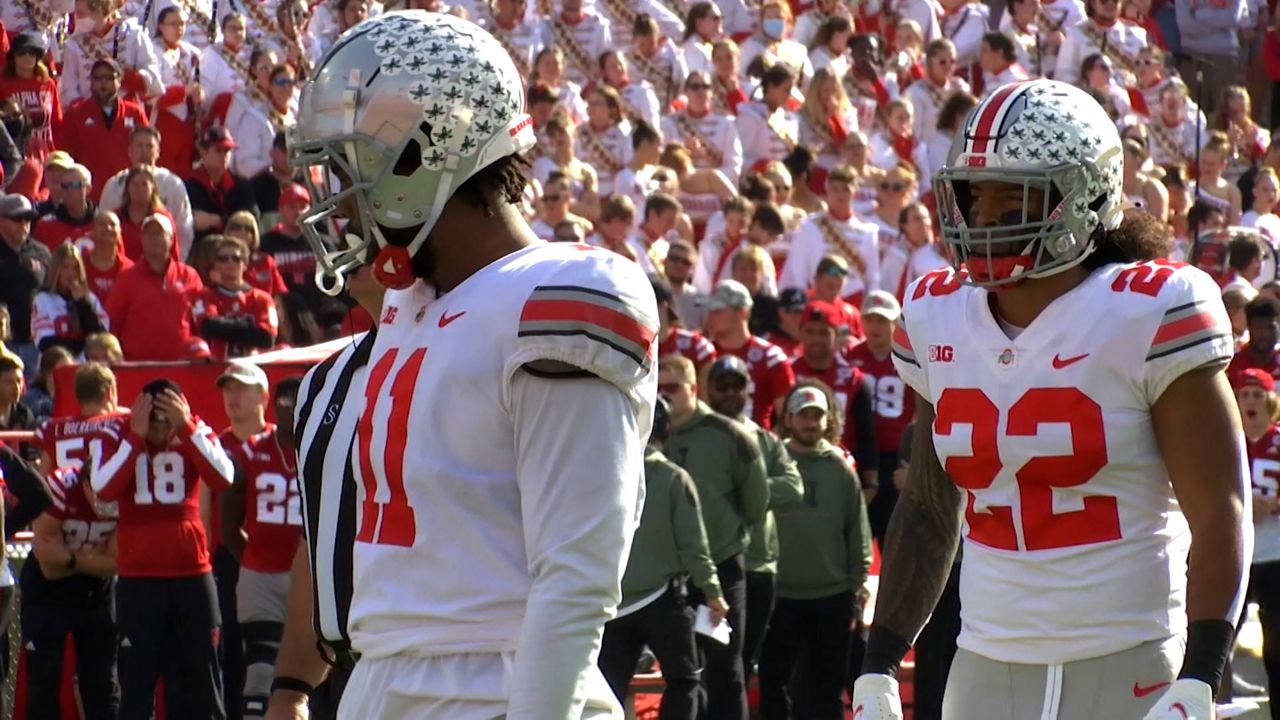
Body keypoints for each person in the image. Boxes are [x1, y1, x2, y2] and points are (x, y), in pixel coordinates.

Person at [272, 11, 659, 719]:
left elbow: (575, 580)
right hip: (383, 682)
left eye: (353, 169)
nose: (339, 204)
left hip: (495, 691)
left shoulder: (558, 295)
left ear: (422, 159)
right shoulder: (408, 308)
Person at [849, 79, 1249, 719]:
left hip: (1130, 658)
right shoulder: (935, 313)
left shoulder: (1150, 309)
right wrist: (878, 664)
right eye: (974, 196)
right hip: (985, 663)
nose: (983, 218)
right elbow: (927, 505)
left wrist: (1202, 674)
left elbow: (1221, 507)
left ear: (1084, 197)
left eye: (1012, 197)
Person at [90, 378, 235, 719]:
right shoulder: (114, 433)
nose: (160, 431)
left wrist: (185, 427)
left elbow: (223, 477)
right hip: (139, 579)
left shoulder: (195, 429)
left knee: (203, 683)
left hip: (192, 574)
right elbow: (104, 487)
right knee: (137, 686)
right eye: (153, 422)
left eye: (166, 421)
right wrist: (134, 437)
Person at [597, 397, 723, 719]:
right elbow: (694, 548)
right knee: (685, 680)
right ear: (666, 429)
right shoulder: (673, 477)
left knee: (605, 690)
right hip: (662, 600)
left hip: (612, 602)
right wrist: (713, 592)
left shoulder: (602, 474)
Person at [660, 354, 768, 720]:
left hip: (721, 564)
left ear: (693, 389)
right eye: (659, 389)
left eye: (673, 388)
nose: (664, 396)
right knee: (683, 671)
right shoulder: (646, 433)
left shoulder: (729, 434)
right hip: (671, 572)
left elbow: (756, 501)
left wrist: (729, 532)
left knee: (725, 666)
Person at [758, 382, 872, 720]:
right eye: (803, 416)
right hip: (781, 594)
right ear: (789, 419)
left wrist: (858, 583)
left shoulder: (840, 468)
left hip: (832, 594)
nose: (810, 423)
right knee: (774, 682)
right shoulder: (771, 463)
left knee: (828, 686)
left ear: (827, 420)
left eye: (817, 416)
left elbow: (857, 530)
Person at [24, 366, 122, 720]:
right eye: (98, 493)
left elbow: (119, 561)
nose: (103, 503)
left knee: (103, 681)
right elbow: (46, 560)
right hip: (49, 587)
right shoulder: (61, 486)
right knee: (44, 680)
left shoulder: (126, 489)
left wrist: (71, 559)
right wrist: (89, 561)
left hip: (94, 587)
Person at [702, 354, 804, 682]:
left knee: (743, 663)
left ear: (748, 391)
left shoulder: (766, 440)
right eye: (723, 386)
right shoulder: (694, 436)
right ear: (709, 390)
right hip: (709, 565)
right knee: (706, 661)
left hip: (758, 564)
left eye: (738, 385)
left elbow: (793, 488)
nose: (731, 392)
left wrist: (741, 489)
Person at [220, 377, 303, 719]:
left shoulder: (320, 447)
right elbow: (229, 521)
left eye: (295, 400)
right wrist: (252, 561)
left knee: (308, 674)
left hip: (308, 579)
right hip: (261, 576)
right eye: (283, 400)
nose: (288, 407)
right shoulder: (252, 450)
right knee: (260, 668)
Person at [843, 290, 915, 543]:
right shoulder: (848, 356)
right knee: (854, 533)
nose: (875, 326)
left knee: (895, 536)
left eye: (882, 320)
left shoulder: (908, 357)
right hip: (859, 455)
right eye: (870, 319)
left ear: (895, 323)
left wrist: (913, 456)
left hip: (895, 456)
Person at [790, 300, 878, 479]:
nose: (816, 339)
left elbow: (866, 435)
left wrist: (869, 479)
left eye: (824, 332)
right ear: (800, 333)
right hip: (795, 466)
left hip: (840, 469)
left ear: (836, 334)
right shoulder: (787, 374)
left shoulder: (853, 379)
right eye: (810, 331)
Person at [105, 213, 206, 361]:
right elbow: (112, 321)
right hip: (138, 366)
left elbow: (201, 318)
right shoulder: (126, 278)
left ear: (171, 239)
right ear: (141, 239)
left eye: (159, 233)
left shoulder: (189, 275)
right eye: (148, 234)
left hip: (182, 365)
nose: (153, 238)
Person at [703, 279, 795, 428]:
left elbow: (790, 418)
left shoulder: (770, 357)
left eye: (718, 310)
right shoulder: (702, 352)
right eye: (709, 310)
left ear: (742, 312)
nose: (711, 316)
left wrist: (768, 440)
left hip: (755, 438)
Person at [59, 59, 152, 204]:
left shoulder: (134, 113)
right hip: (90, 196)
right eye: (97, 78)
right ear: (91, 82)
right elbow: (66, 157)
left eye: (109, 77)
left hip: (128, 195)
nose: (103, 83)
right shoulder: (76, 114)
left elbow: (148, 150)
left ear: (119, 81)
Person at [99, 126, 196, 258]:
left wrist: (174, 263)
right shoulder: (114, 186)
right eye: (139, 146)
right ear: (130, 151)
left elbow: (184, 229)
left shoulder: (173, 185)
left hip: (161, 261)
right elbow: (103, 225)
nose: (144, 151)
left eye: (149, 146)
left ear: (158, 152)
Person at [191, 235, 278, 359]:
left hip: (251, 366)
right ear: (215, 264)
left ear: (245, 264)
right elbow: (208, 327)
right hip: (216, 366)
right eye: (223, 259)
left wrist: (224, 327)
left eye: (236, 258)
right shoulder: (205, 295)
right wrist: (246, 325)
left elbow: (266, 338)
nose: (230, 262)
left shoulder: (262, 299)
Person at [31, 242, 109, 357]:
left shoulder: (90, 299)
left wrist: (82, 304)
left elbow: (101, 338)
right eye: (65, 267)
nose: (71, 273)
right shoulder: (43, 300)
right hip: (56, 364)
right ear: (56, 269)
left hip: (87, 365)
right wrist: (84, 344)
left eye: (75, 268)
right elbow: (45, 343)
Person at [0, 193, 50, 371]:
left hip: (34, 343)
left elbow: (51, 292)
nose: (23, 224)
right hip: (3, 343)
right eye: (17, 218)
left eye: (28, 218)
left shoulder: (41, 253)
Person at [32, 163, 96, 252]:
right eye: (65, 186)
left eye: (74, 185)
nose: (69, 190)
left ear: (88, 188)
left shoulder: (102, 223)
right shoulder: (46, 225)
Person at [1231, 298, 1280, 382]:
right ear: (1249, 327)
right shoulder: (1232, 364)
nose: (1265, 334)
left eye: (1270, 327)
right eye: (1258, 328)